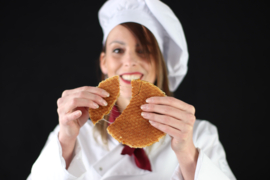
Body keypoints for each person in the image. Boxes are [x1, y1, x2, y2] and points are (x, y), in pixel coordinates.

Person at [27, 0, 236, 179]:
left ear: (159, 63)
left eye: (143, 50)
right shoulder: (74, 135)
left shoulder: (199, 135)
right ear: (104, 62)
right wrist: (66, 141)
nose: (129, 61)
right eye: (118, 50)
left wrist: (187, 152)